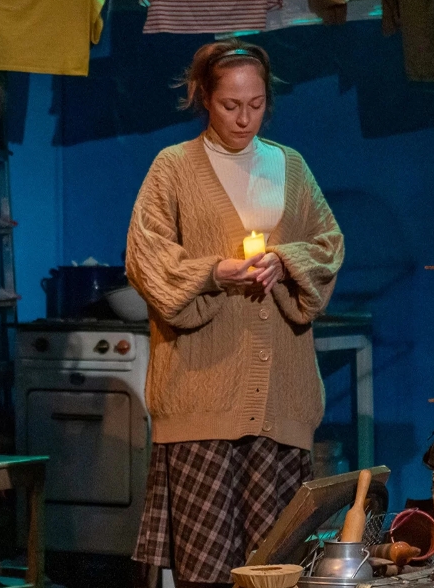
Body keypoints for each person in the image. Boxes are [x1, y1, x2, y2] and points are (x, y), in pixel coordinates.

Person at [125, 39, 344, 587]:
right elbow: (145, 255)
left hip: (279, 398)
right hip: (201, 393)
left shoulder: (289, 166)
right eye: (230, 105)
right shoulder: (174, 168)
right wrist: (212, 272)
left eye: (256, 104)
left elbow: (328, 245)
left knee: (274, 569)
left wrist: (285, 260)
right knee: (205, 571)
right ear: (204, 97)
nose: (244, 118)